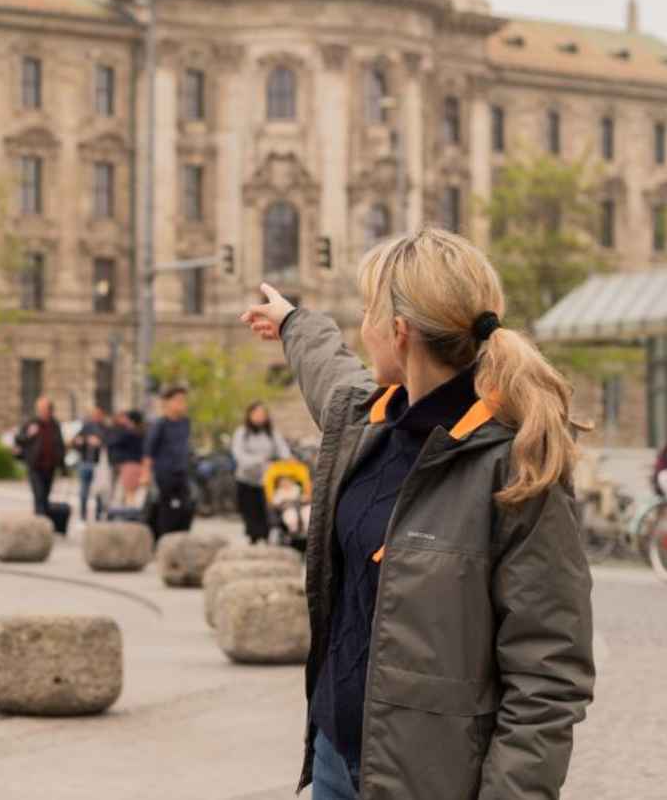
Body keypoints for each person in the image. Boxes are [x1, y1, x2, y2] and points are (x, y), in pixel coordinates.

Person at [241, 227, 594, 800]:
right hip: (335, 758)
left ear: (399, 332)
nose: (361, 328)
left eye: (366, 313)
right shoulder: (368, 421)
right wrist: (290, 322)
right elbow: (330, 372)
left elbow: (548, 673)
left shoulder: (515, 463)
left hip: (431, 782)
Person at [232, 402, 294, 544]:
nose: (260, 417)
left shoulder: (272, 433)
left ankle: (266, 540)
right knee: (250, 514)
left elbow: (283, 450)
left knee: (266, 514)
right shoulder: (242, 433)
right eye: (256, 414)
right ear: (249, 415)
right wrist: (261, 460)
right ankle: (253, 541)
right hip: (246, 480)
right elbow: (239, 456)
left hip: (268, 481)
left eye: (262, 414)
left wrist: (289, 460)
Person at [142, 387, 194, 540]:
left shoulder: (185, 422)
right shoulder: (159, 424)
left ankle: (180, 538)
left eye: (183, 400)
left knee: (187, 506)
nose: (182, 404)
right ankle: (162, 539)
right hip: (164, 472)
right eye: (177, 400)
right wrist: (146, 473)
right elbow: (149, 451)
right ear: (166, 402)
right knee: (165, 508)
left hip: (182, 471)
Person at [14, 395, 65, 517]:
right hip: (35, 466)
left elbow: (59, 444)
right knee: (39, 495)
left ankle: (44, 522)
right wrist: (29, 435)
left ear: (50, 410)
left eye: (45, 409)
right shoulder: (31, 423)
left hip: (50, 467)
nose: (42, 411)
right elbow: (18, 439)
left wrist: (62, 465)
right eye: (40, 409)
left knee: (46, 496)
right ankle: (40, 522)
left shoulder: (55, 424)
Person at [71, 405, 110, 521]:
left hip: (99, 465)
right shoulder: (86, 427)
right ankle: (83, 516)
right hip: (85, 462)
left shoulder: (106, 428)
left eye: (99, 414)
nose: (96, 417)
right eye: (95, 414)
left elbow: (110, 443)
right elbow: (75, 441)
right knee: (84, 492)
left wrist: (100, 442)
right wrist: (83, 441)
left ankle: (98, 516)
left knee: (99, 492)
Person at [105, 410, 147, 509]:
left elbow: (111, 442)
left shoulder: (128, 433)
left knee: (130, 494)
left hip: (130, 466)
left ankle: (131, 514)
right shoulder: (143, 432)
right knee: (133, 493)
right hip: (140, 465)